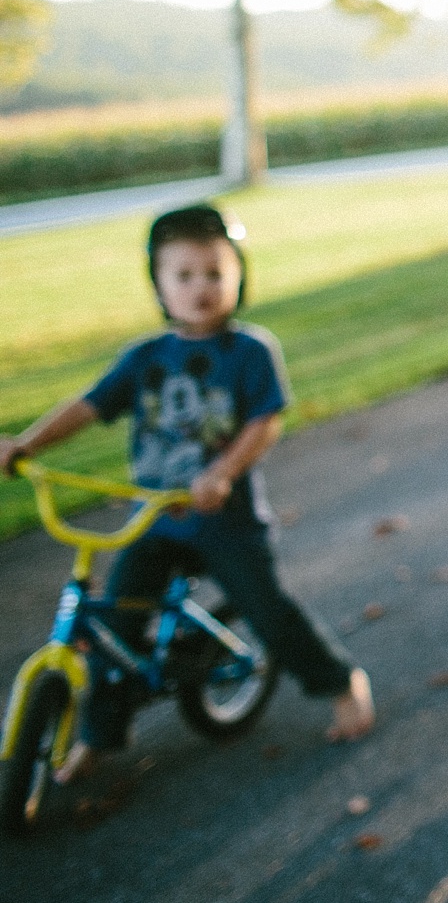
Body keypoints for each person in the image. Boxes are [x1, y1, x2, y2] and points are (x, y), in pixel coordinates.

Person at [1, 205, 374, 781]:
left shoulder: (250, 351)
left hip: (225, 521)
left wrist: (223, 471)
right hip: (154, 520)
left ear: (238, 279)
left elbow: (266, 421)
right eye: (184, 275)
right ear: (159, 284)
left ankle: (338, 682)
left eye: (214, 274)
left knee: (267, 611)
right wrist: (27, 443)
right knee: (113, 626)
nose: (201, 288)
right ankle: (97, 737)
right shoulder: (145, 359)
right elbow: (89, 405)